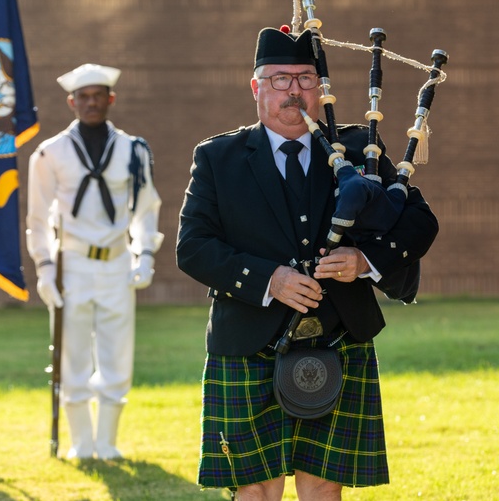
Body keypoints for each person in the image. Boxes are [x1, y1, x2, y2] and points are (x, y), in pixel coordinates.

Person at [176, 27, 438, 499]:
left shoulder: (359, 151)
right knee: (255, 488)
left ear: (322, 89)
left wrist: (364, 261)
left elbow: (419, 223)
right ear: (256, 87)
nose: (293, 91)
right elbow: (192, 246)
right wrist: (268, 279)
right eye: (279, 80)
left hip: (338, 335)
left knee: (323, 487)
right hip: (247, 338)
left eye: (305, 79)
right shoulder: (219, 157)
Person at [26, 63, 163, 460]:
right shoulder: (50, 153)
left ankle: (107, 443)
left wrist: (145, 253)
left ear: (110, 100)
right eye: (83, 97)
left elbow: (146, 206)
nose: (90, 103)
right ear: (71, 102)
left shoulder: (132, 150)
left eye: (97, 96)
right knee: (71, 354)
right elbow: (37, 218)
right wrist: (44, 267)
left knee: (117, 353)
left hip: (117, 263)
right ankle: (81, 444)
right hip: (72, 265)